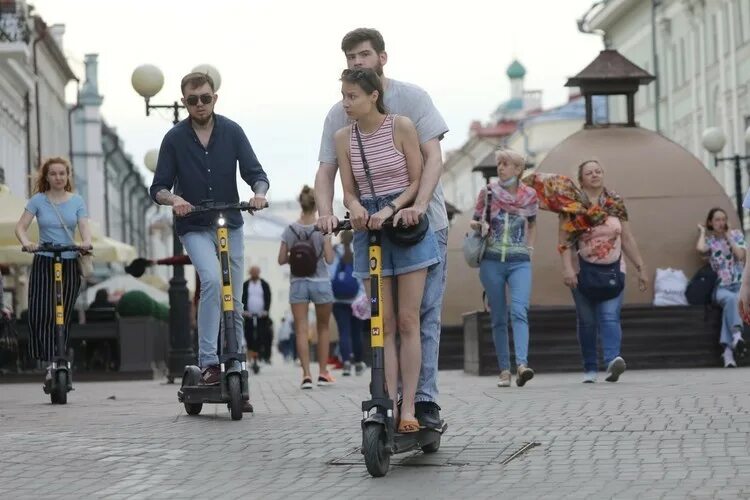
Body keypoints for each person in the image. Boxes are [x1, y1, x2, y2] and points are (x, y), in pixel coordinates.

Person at [315, 28, 449, 429]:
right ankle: (389, 401)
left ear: (382, 58)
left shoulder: (413, 100)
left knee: (422, 318)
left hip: (422, 222)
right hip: (370, 226)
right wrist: (327, 214)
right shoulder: (340, 117)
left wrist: (418, 205)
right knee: (385, 322)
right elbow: (327, 173)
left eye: (364, 55)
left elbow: (432, 161)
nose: (357, 62)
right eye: (351, 57)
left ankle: (422, 401)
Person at [149, 71, 269, 400]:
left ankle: (236, 358)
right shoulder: (174, 138)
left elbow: (256, 174)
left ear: (215, 97)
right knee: (214, 282)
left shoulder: (232, 131)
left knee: (235, 295)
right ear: (184, 101)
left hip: (230, 220)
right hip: (195, 224)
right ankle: (208, 362)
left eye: (205, 98)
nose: (199, 104)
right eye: (192, 100)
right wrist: (176, 200)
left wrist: (259, 194)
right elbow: (158, 187)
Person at [524, 160, 649, 383]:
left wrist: (640, 267)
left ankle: (612, 362)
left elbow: (627, 238)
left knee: (610, 316)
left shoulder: (615, 203)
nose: (595, 175)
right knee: (588, 321)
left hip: (614, 270)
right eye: (589, 172)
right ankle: (590, 368)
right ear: (581, 179)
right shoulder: (570, 205)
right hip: (583, 271)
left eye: (598, 171)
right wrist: (567, 269)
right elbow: (564, 241)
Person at [14, 157, 92, 379]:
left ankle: (60, 358)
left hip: (68, 260)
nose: (58, 177)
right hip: (44, 259)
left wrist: (85, 242)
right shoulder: (38, 200)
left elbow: (84, 228)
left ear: (67, 176)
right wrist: (27, 243)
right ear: (46, 177)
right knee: (41, 312)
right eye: (53, 174)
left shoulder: (77, 201)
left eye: (62, 173)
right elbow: (21, 227)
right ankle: (49, 361)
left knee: (63, 314)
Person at [470, 148, 538, 388]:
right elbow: (475, 218)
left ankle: (522, 364)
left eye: (506, 164)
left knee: (520, 310)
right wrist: (480, 226)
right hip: (491, 260)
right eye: (499, 164)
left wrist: (529, 248)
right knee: (498, 316)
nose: (501, 168)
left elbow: (532, 223)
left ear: (518, 169)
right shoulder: (488, 193)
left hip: (520, 261)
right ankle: (504, 370)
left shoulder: (530, 195)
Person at [279, 186, 335, 389]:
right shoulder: (323, 228)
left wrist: (297, 256)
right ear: (316, 204)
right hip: (320, 282)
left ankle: (305, 376)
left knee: (301, 330)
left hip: (298, 283)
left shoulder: (290, 230)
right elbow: (329, 259)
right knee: (323, 328)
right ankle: (323, 373)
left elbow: (280, 259)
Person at [697, 208, 746, 367]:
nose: (721, 223)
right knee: (731, 300)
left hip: (738, 285)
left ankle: (728, 352)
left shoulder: (736, 235)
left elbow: (740, 256)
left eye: (723, 219)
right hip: (721, 287)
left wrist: (728, 236)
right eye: (717, 220)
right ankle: (737, 336)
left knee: (732, 302)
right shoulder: (711, 241)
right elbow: (700, 249)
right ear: (711, 222)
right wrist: (703, 232)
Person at [330, 230, 365, 376]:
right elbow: (363, 275)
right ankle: (358, 362)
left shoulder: (334, 251)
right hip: (357, 299)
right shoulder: (358, 249)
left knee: (344, 332)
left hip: (338, 300)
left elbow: (331, 275)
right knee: (357, 332)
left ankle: (345, 362)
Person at [241, 265, 272, 363]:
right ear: (250, 273)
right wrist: (244, 310)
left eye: (256, 272)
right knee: (249, 334)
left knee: (262, 334)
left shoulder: (264, 284)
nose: (254, 274)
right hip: (248, 315)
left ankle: (260, 354)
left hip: (261, 315)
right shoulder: (246, 284)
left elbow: (268, 297)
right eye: (252, 272)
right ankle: (251, 354)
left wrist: (266, 310)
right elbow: (243, 297)